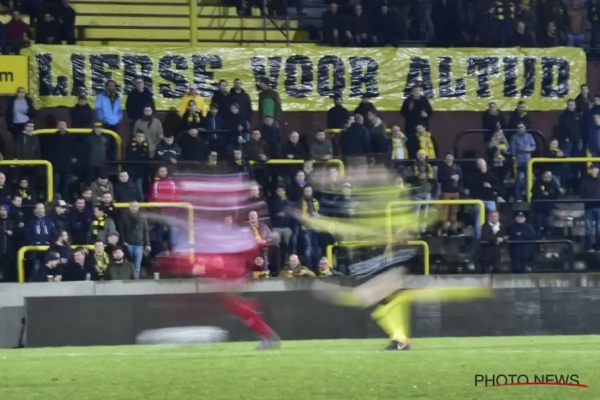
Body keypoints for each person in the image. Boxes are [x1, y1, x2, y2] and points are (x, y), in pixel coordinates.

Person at [470, 159, 501, 238]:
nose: (480, 164)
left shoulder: (492, 175)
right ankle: (478, 237)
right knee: (478, 219)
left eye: (481, 163)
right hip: (479, 200)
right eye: (478, 163)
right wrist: (475, 198)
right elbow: (472, 188)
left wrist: (490, 186)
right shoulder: (475, 176)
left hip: (490, 199)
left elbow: (498, 188)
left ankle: (494, 235)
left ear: (485, 163)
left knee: (493, 218)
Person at [119, 201, 151, 279]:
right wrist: (123, 241)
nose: (134, 208)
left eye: (135, 206)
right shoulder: (124, 217)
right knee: (128, 264)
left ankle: (136, 281)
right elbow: (121, 230)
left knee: (137, 265)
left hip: (139, 244)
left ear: (138, 207)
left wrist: (147, 244)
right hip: (128, 244)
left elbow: (145, 231)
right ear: (129, 207)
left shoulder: (142, 217)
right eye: (132, 206)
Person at [47, 121, 76, 201]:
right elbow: (49, 151)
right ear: (57, 126)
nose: (62, 126)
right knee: (55, 184)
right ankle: (54, 200)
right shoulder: (52, 138)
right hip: (55, 166)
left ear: (66, 126)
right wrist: (52, 160)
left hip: (67, 165)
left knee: (66, 184)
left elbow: (75, 149)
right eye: (60, 125)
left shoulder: (71, 137)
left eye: (63, 125)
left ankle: (66, 200)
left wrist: (74, 158)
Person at [437, 152, 462, 236]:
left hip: (455, 191)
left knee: (454, 211)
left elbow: (461, 179)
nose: (449, 158)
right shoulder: (441, 167)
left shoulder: (457, 167)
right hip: (446, 191)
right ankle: (444, 229)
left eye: (451, 156)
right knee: (445, 211)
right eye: (447, 156)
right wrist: (450, 177)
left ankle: (453, 229)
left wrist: (459, 188)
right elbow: (439, 179)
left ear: (453, 158)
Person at [530, 171, 559, 239]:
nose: (547, 179)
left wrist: (548, 195)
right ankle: (538, 242)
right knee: (537, 227)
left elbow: (557, 195)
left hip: (548, 209)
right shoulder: (537, 183)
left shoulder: (553, 184)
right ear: (542, 177)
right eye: (545, 177)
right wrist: (548, 195)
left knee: (549, 226)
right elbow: (536, 195)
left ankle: (543, 237)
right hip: (538, 209)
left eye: (549, 177)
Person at [579, 164, 600, 252]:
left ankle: (598, 247)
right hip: (589, 207)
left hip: (598, 207)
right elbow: (581, 193)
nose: (594, 171)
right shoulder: (585, 181)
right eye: (592, 169)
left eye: (595, 169)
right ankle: (589, 247)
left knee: (599, 228)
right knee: (588, 228)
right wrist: (587, 200)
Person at [125, 131, 150, 200]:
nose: (140, 138)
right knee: (131, 189)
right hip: (131, 171)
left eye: (142, 136)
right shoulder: (130, 145)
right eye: (138, 136)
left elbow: (146, 158)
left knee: (139, 189)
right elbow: (131, 156)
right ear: (135, 137)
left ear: (144, 138)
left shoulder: (146, 146)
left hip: (140, 172)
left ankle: (141, 204)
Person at [0, 204, 16, 281]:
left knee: (7, 269)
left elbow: (17, 235)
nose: (3, 211)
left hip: (9, 251)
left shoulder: (12, 223)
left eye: (4, 210)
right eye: (1, 210)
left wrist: (12, 234)